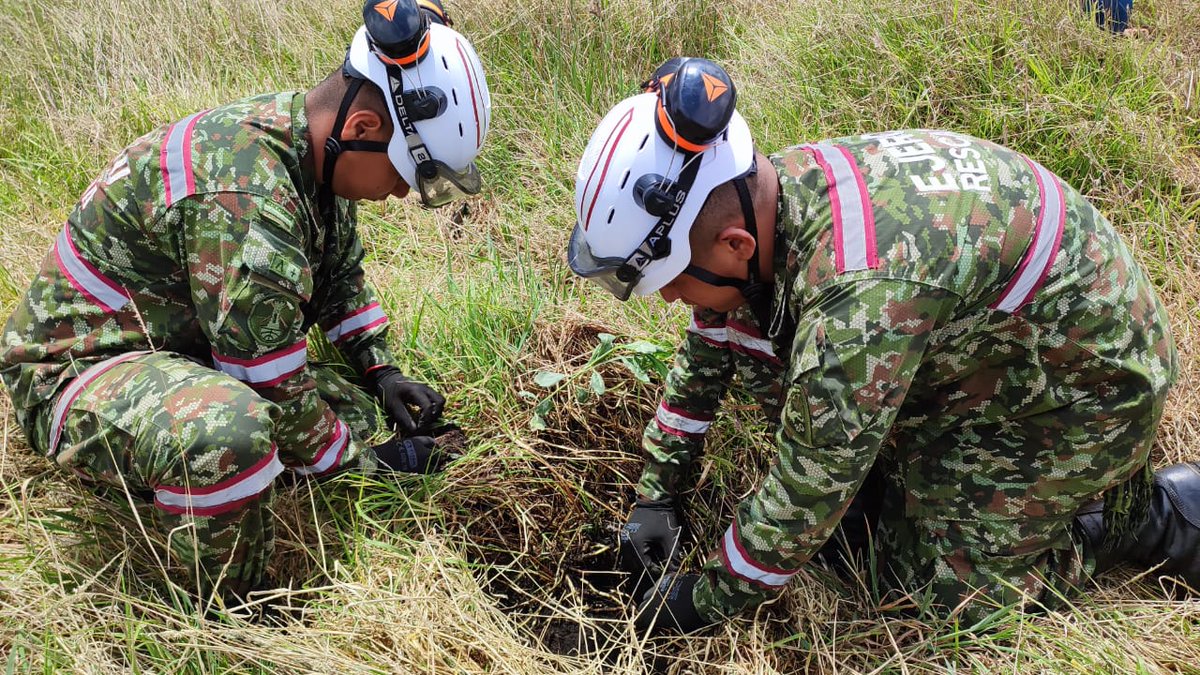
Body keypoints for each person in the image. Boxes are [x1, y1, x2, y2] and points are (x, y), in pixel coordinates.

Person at [567, 57, 1192, 633]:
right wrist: (658, 493)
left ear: (734, 245)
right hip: (992, 346)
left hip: (1087, 384)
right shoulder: (767, 195)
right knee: (784, 383)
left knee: (943, 594)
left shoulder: (859, 298)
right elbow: (710, 348)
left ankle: (1145, 514)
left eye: (668, 281)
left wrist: (693, 604)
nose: (671, 299)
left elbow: (803, 493)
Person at [0, 0, 490, 602]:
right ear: (363, 129)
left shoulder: (306, 144)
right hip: (76, 368)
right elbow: (272, 382)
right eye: (405, 175)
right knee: (231, 434)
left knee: (360, 416)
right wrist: (369, 466)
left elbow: (338, 274)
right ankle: (228, 608)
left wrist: (381, 370)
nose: (400, 193)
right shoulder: (246, 192)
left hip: (181, 344)